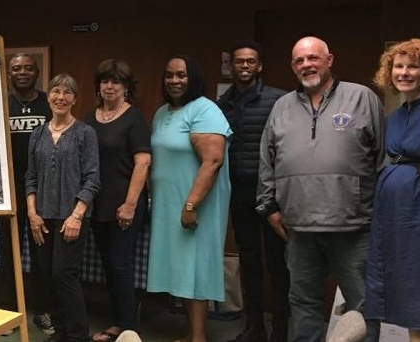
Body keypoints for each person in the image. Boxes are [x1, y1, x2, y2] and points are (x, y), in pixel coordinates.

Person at [257, 36, 384, 342]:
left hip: (353, 227)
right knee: (303, 303)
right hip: (298, 228)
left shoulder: (362, 98)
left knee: (364, 307)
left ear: (329, 60)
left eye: (313, 58)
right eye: (299, 60)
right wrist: (269, 206)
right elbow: (267, 159)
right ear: (292, 66)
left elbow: (383, 158)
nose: (306, 65)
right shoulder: (281, 107)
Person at [147, 55, 231, 342]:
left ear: (193, 77)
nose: (174, 81)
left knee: (195, 269)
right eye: (169, 75)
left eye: (181, 75)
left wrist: (190, 205)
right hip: (169, 205)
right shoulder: (162, 112)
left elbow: (213, 161)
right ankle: (193, 333)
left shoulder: (205, 109)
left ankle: (198, 337)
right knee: (182, 269)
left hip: (195, 207)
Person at [216, 40, 289, 342]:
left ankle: (282, 329)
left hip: (272, 194)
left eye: (250, 62)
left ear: (259, 66)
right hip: (238, 192)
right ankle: (254, 325)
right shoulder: (222, 103)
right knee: (248, 260)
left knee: (277, 262)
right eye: (239, 61)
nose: (244, 66)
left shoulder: (280, 100)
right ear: (231, 66)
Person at [365, 38, 420, 341]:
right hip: (397, 216)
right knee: (407, 287)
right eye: (398, 66)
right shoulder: (395, 116)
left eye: (413, 67)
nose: (404, 72)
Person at [26, 74, 99, 342]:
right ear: (48, 97)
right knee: (46, 276)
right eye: (56, 92)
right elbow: (30, 178)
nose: (61, 97)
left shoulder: (85, 133)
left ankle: (79, 335)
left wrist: (77, 216)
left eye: (68, 93)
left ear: (75, 99)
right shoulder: (38, 134)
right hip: (42, 217)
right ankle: (61, 330)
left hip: (72, 217)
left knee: (63, 274)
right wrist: (32, 214)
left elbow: (92, 179)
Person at [84, 58, 151, 341]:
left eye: (116, 81)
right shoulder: (89, 118)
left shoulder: (134, 118)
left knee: (120, 264)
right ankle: (120, 320)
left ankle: (128, 327)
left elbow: (143, 162)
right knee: (109, 264)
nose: (109, 86)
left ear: (126, 87)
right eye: (105, 81)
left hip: (126, 205)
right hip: (98, 204)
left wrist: (130, 204)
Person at [0, 52, 55, 335]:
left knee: (42, 252)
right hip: (8, 190)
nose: (22, 73)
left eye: (28, 68)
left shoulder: (49, 103)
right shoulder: (0, 102)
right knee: (9, 251)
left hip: (44, 190)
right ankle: (9, 310)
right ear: (8, 74)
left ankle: (43, 310)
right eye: (16, 68)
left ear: (37, 72)